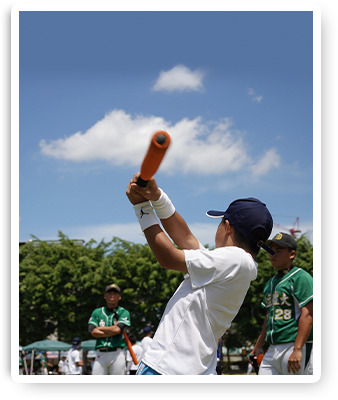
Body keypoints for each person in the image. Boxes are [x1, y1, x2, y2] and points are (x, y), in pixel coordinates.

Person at [126, 174, 274, 375]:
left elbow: (168, 258)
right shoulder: (235, 265)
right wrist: (157, 196)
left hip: (167, 368)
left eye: (220, 223)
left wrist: (142, 209)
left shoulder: (235, 259)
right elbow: (185, 237)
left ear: (227, 227)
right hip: (190, 370)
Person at [249, 232, 313, 375]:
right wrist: (258, 347)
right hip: (272, 347)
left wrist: (297, 349)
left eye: (279, 251)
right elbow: (269, 318)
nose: (273, 254)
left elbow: (308, 315)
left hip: (294, 344)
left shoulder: (301, 277)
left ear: (292, 254)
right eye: (271, 250)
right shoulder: (270, 283)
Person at [88, 284, 131, 375]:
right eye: (109, 293)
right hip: (101, 353)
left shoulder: (124, 312)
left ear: (119, 297)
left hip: (117, 353)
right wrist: (112, 330)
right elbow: (92, 331)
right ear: (105, 296)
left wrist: (100, 328)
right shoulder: (97, 312)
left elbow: (117, 330)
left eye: (115, 294)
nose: (112, 295)